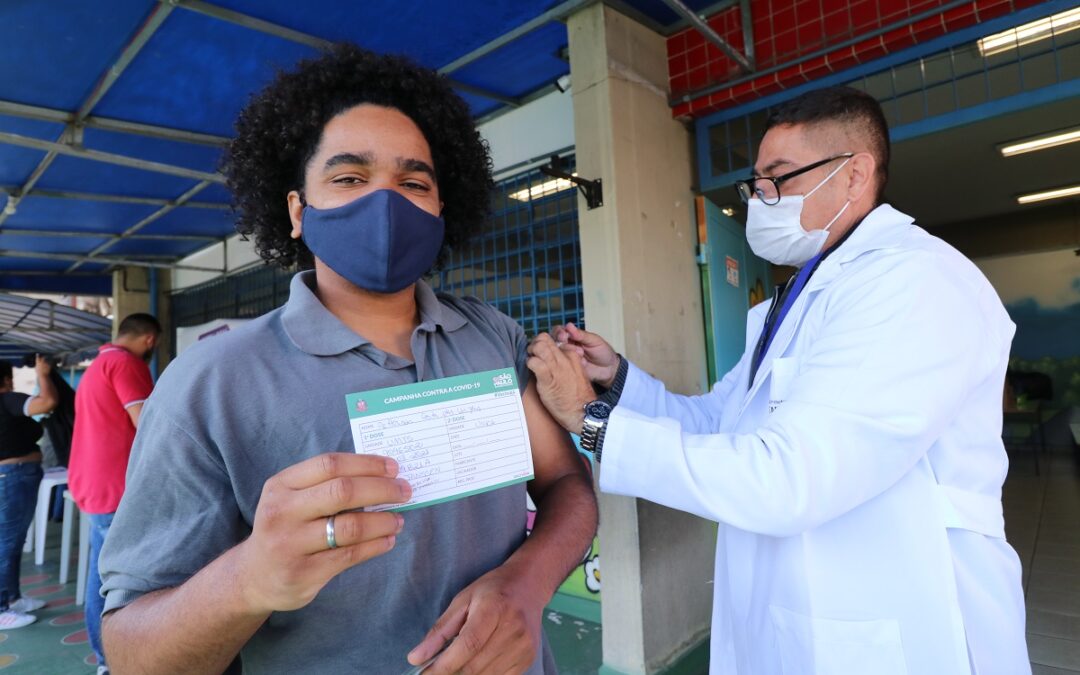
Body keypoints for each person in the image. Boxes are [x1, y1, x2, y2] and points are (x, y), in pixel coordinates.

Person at [99, 45, 597, 675]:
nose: (386, 203)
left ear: (442, 208)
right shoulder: (211, 382)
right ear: (298, 212)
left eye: (414, 183)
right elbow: (131, 651)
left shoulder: (490, 335)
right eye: (349, 178)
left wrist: (527, 583)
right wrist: (250, 578)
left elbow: (566, 486)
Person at [527, 86, 1029, 675]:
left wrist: (590, 421)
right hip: (789, 612)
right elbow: (721, 422)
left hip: (897, 619)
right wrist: (614, 382)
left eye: (779, 178)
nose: (761, 199)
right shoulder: (795, 297)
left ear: (854, 175)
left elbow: (788, 478)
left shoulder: (915, 283)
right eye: (756, 183)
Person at [68, 313, 160, 673]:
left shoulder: (97, 366)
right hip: (116, 487)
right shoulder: (125, 363)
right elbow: (148, 424)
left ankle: (106, 658)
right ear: (150, 340)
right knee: (120, 579)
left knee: (103, 573)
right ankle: (114, 659)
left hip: (93, 484)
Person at [0, 356, 57, 629]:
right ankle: (1, 607)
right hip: (14, 476)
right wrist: (43, 375)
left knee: (13, 540)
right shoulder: (7, 399)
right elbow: (47, 402)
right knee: (8, 542)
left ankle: (12, 598)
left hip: (14, 476)